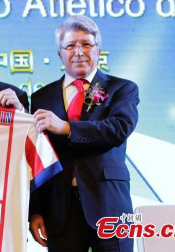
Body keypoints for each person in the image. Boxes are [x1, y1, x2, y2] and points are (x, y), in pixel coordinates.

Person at [29, 15, 139, 252]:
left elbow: (119, 128)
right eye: (70, 46)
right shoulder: (41, 97)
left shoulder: (121, 89)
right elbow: (37, 155)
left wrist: (67, 128)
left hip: (109, 204)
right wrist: (35, 209)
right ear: (60, 54)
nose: (79, 52)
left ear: (98, 50)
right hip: (60, 209)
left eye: (86, 44)